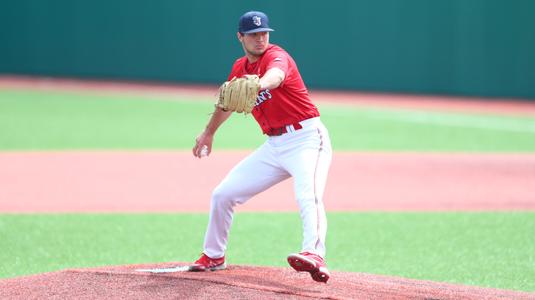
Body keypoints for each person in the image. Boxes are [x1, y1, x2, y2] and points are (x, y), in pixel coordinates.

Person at [191, 10, 332, 283]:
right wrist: (208, 133)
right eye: (254, 34)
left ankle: (315, 254)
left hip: (307, 139)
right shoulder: (239, 68)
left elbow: (276, 76)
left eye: (264, 33)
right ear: (240, 37)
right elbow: (226, 103)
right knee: (223, 194)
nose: (260, 39)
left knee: (308, 195)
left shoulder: (277, 56)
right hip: (275, 145)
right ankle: (214, 255)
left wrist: (258, 83)